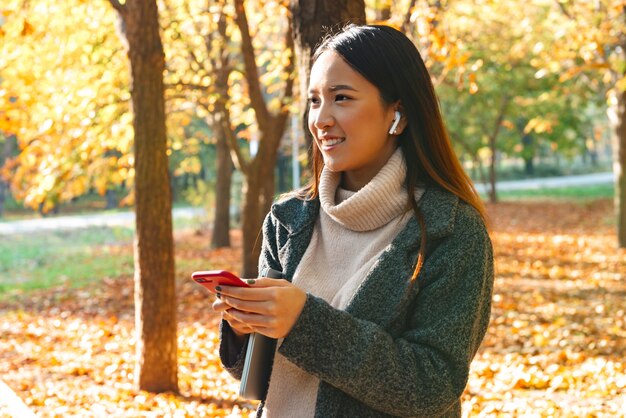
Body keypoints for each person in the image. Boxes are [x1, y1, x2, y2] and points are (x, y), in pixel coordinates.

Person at [212, 24, 494, 417]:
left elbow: (432, 386)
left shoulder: (451, 229)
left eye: (341, 98)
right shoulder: (288, 218)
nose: (321, 119)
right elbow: (259, 382)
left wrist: (303, 321)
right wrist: (246, 331)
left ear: (398, 112)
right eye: (314, 101)